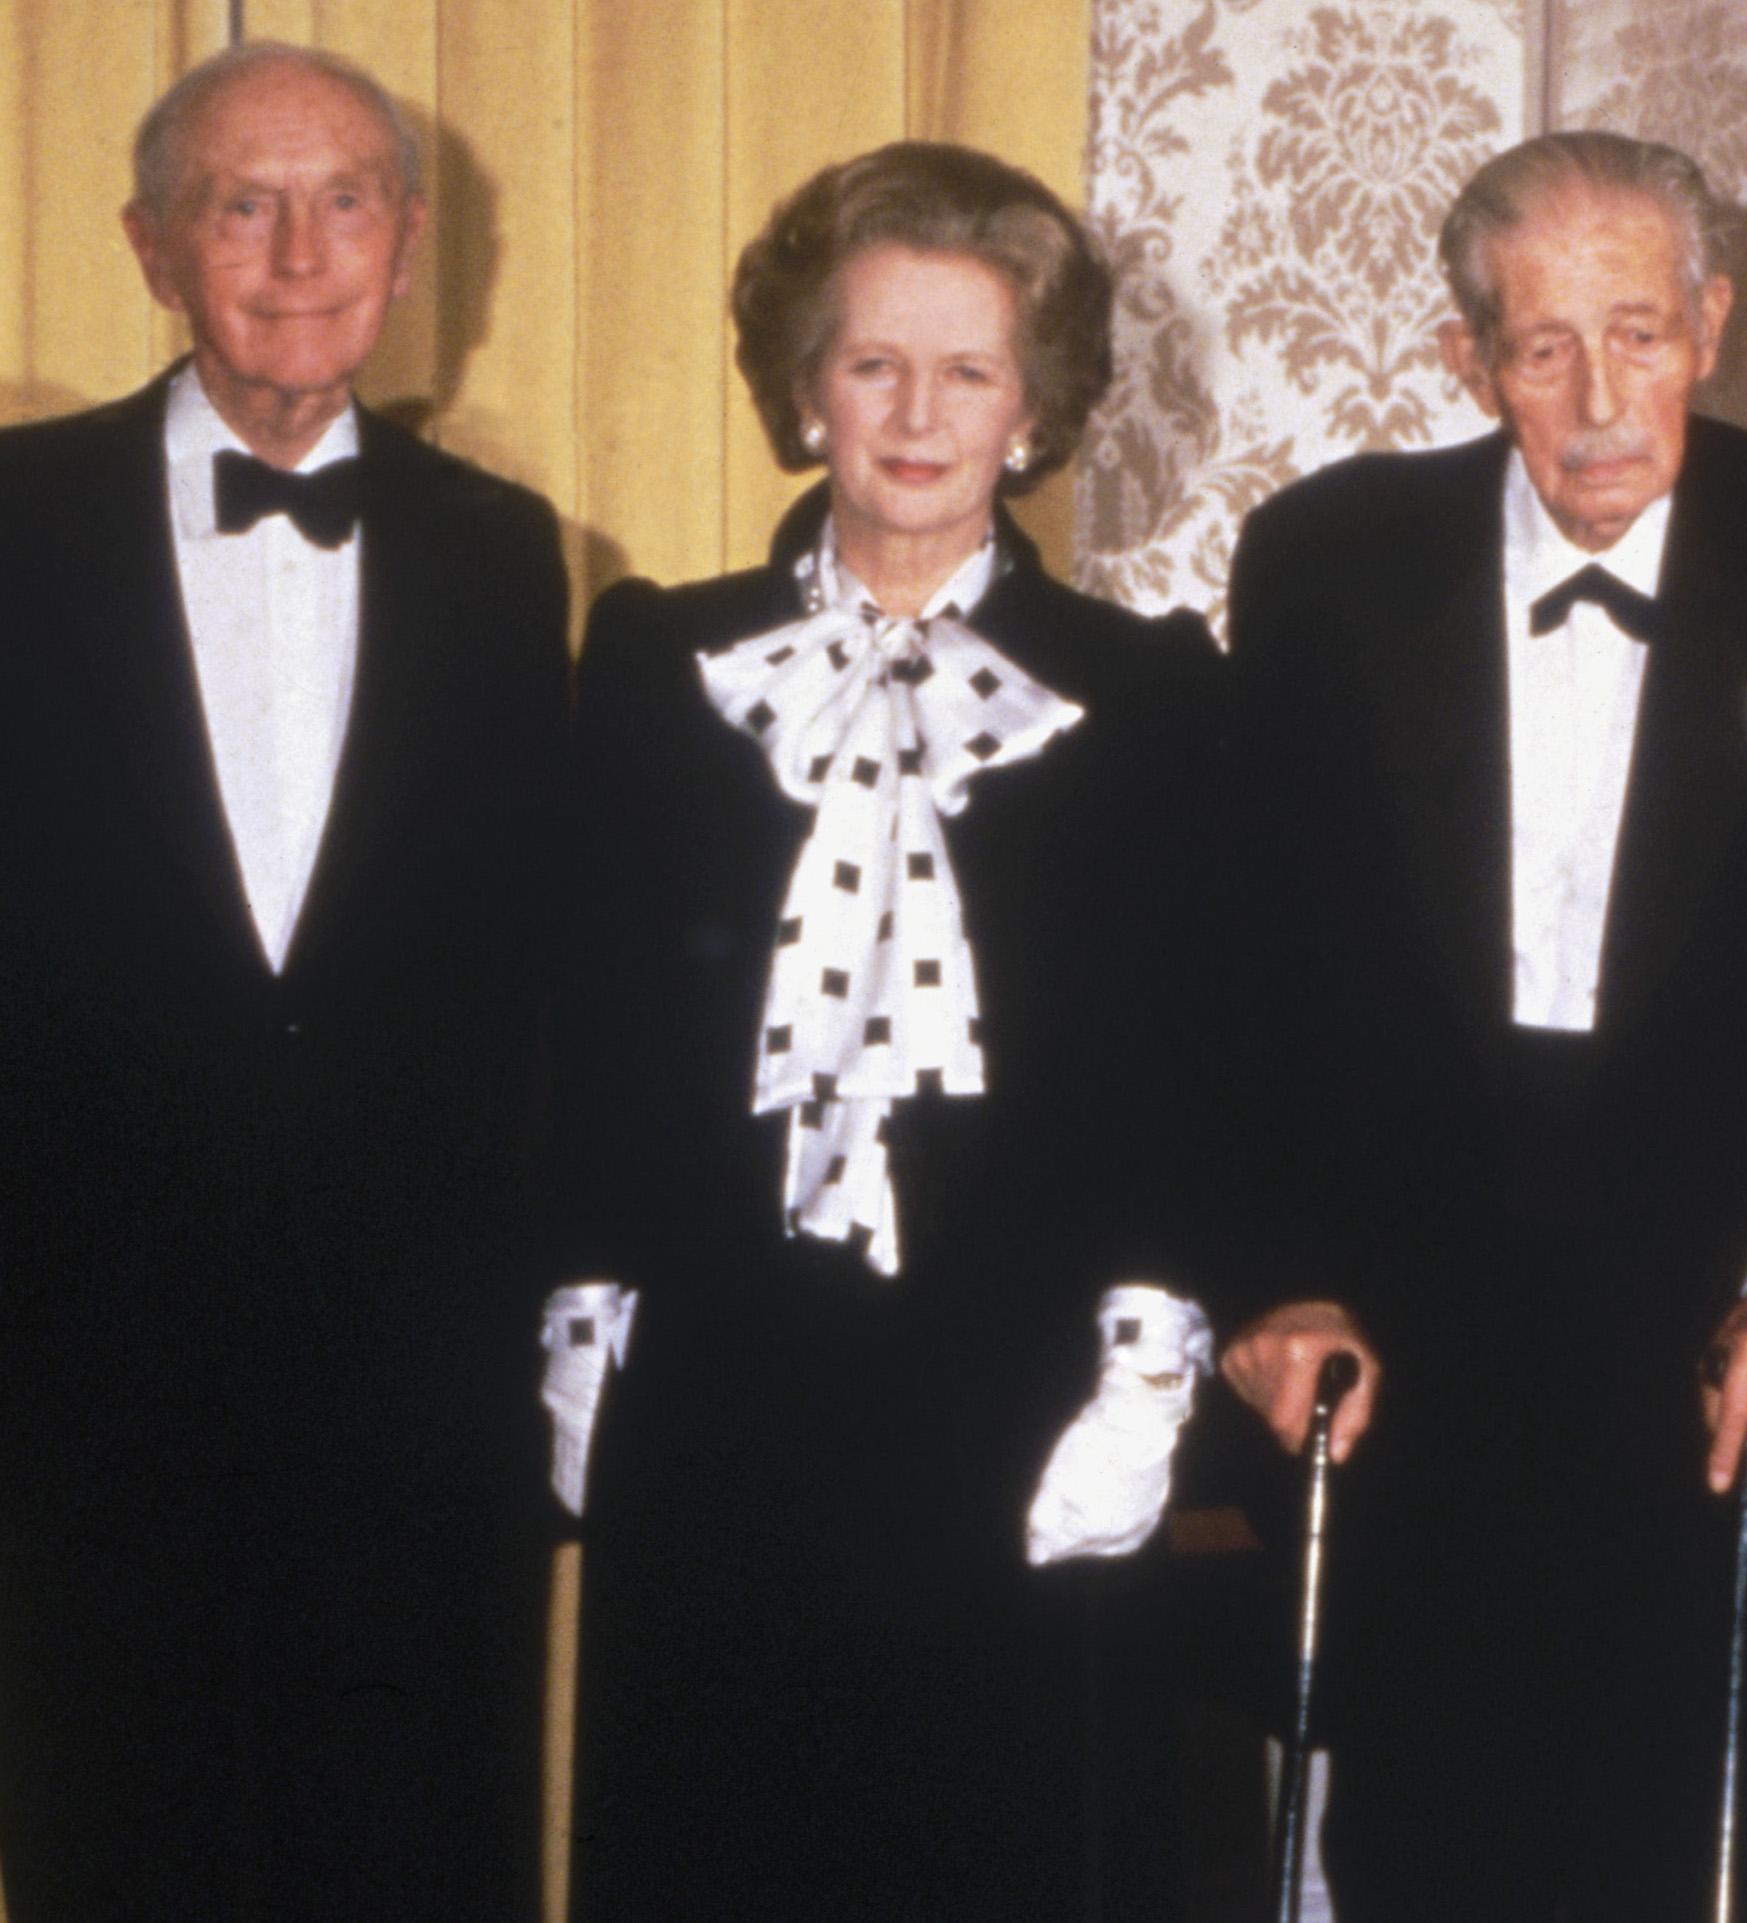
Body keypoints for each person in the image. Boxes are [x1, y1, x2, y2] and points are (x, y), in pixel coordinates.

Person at [1218, 131, 1747, 1920]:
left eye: (1638, 332)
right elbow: (1250, 963)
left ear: (1710, 325)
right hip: (1414, 1340)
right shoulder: (1326, 556)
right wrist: (1280, 1274)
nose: (1594, 397)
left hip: (1735, 1336)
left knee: (1732, 1850)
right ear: (1468, 359)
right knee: (1421, 1847)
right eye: (1542, 345)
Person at [557, 142, 1224, 1919]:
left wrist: (1150, 1367)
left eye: (969, 370)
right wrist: (577, 1311)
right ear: (804, 393)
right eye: (872, 364)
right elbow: (583, 1029)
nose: (916, 414)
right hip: (720, 1382)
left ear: (1035, 408)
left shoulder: (1152, 698)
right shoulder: (655, 665)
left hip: (1021, 1388)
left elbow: (1194, 1068)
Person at [0, 42, 567, 1923]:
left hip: (419, 1398)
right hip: (79, 1390)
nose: (299, 250)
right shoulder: (10, 520)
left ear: (412, 248)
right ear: (155, 247)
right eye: (246, 202)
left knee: (415, 1857)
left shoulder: (508, 560)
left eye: (347, 202)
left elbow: (521, 989)